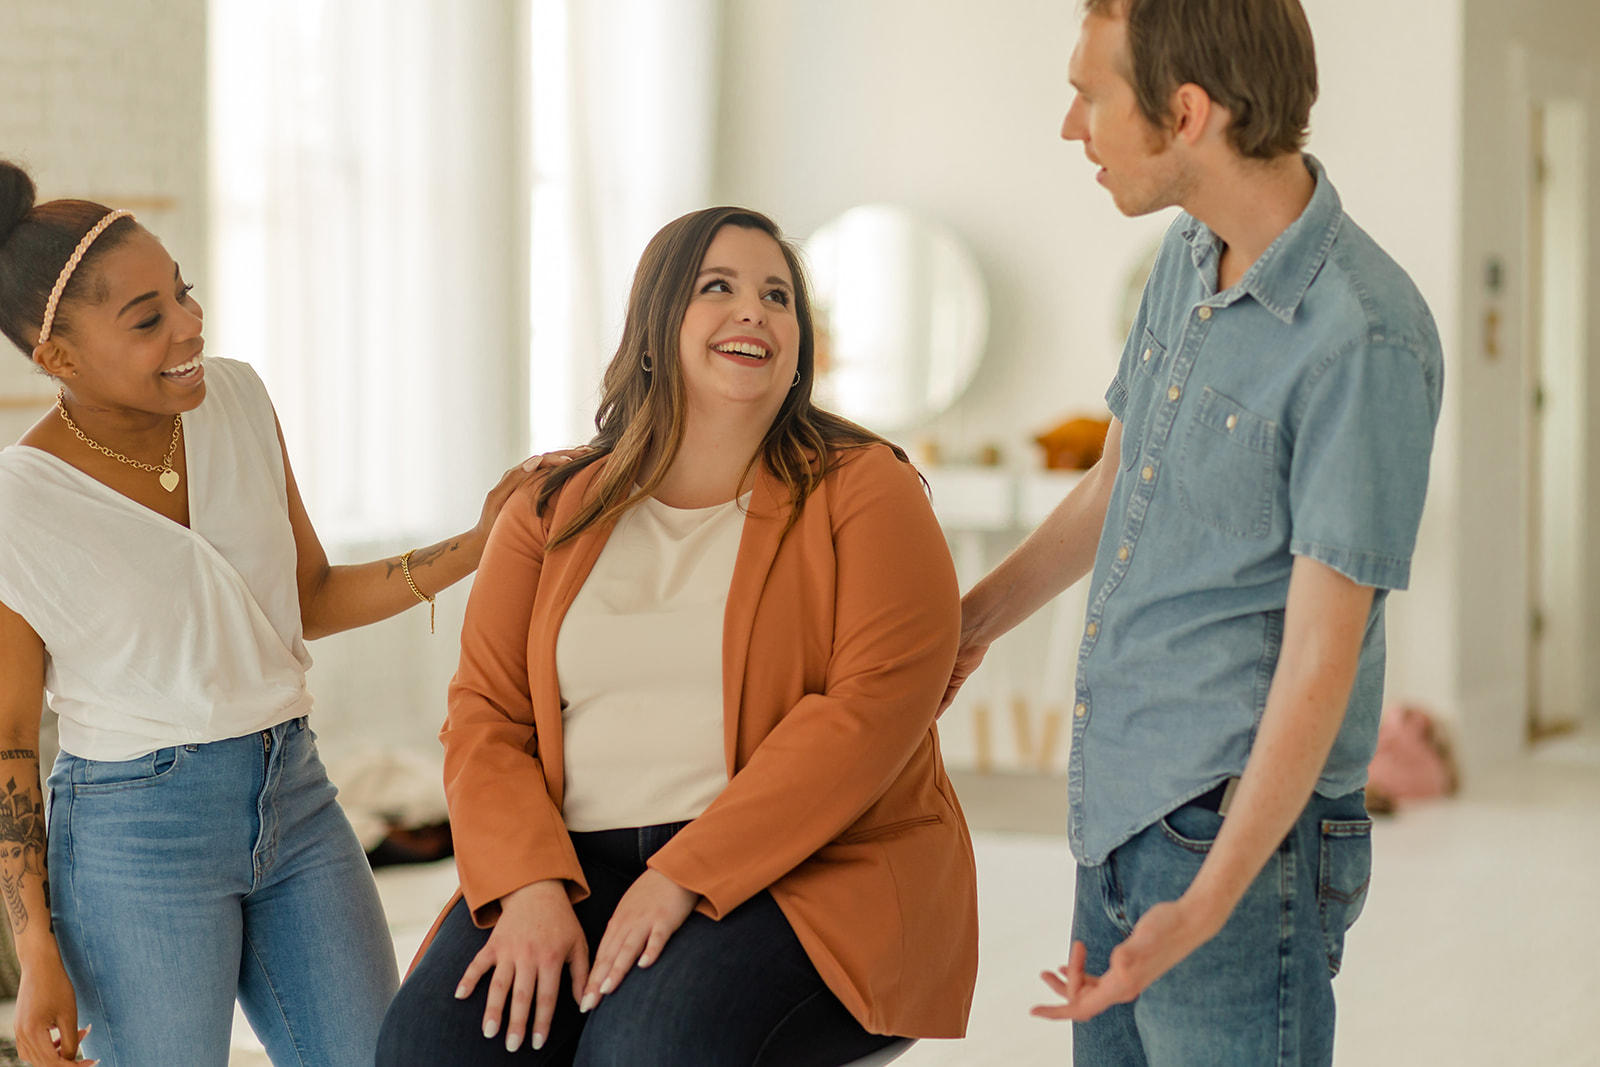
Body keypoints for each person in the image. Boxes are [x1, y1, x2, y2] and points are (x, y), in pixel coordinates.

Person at [941, 1, 1444, 1063]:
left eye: (1089, 94)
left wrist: (1210, 900)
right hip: (1122, 813)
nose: (1070, 126)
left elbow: (1320, 654)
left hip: (1235, 845)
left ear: (1185, 111)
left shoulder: (1362, 332)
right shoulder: (1183, 257)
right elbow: (1113, 485)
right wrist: (971, 622)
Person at [377, 206, 979, 1065]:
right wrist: (529, 886)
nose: (755, 312)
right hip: (571, 864)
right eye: (718, 288)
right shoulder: (546, 505)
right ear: (657, 326)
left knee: (642, 1052)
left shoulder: (867, 489)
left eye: (778, 295)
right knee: (429, 1050)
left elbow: (869, 716)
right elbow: (487, 715)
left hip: (804, 873)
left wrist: (682, 876)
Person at [0, 159, 564, 1067]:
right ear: (56, 358)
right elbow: (10, 743)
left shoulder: (237, 399)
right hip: (136, 838)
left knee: (375, 1054)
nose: (188, 325)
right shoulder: (19, 504)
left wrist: (479, 540)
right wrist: (35, 953)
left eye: (181, 293)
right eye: (148, 320)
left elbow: (306, 597)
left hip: (293, 794)